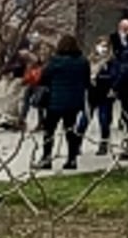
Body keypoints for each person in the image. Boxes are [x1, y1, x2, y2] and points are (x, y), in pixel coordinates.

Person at [34, 35, 90, 171]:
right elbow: (87, 81)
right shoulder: (82, 61)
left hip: (55, 101)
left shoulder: (55, 61)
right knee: (70, 130)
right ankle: (71, 159)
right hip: (74, 102)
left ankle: (46, 159)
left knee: (49, 130)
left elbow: (43, 78)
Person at [77, 39, 118, 157]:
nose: (103, 49)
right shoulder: (90, 60)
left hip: (105, 94)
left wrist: (112, 87)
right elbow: (83, 75)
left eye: (106, 46)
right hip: (91, 93)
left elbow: (114, 75)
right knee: (84, 120)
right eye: (101, 45)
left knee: (104, 120)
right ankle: (77, 144)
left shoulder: (111, 62)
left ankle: (103, 144)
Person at [107, 17, 128, 154]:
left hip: (127, 82)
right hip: (120, 79)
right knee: (126, 110)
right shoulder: (113, 38)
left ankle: (127, 141)